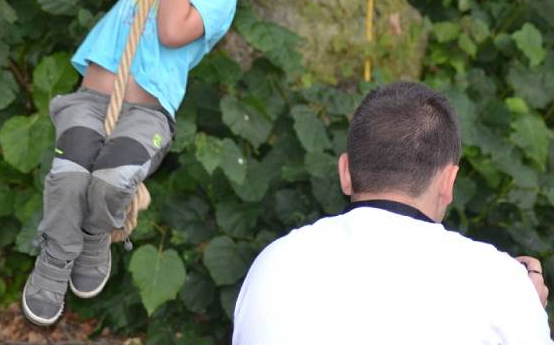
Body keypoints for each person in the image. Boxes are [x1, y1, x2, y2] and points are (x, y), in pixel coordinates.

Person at [22, 0, 260, 326]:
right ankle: (53, 261)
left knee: (109, 182)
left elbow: (173, 31)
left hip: (145, 116)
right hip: (90, 101)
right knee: (70, 178)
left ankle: (96, 236)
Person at [233, 82, 552, 344]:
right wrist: (526, 308)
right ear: (449, 182)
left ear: (345, 171)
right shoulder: (498, 282)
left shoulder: (273, 262)